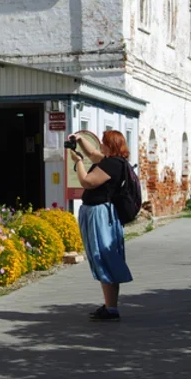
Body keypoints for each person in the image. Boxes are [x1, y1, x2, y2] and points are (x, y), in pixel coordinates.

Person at [68, 130, 134, 321]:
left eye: (103, 142)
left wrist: (78, 163)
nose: (100, 145)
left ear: (110, 145)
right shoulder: (113, 161)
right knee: (104, 256)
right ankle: (110, 307)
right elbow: (93, 155)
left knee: (103, 255)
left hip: (99, 214)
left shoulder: (113, 164)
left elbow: (88, 182)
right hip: (99, 212)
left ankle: (111, 308)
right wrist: (80, 140)